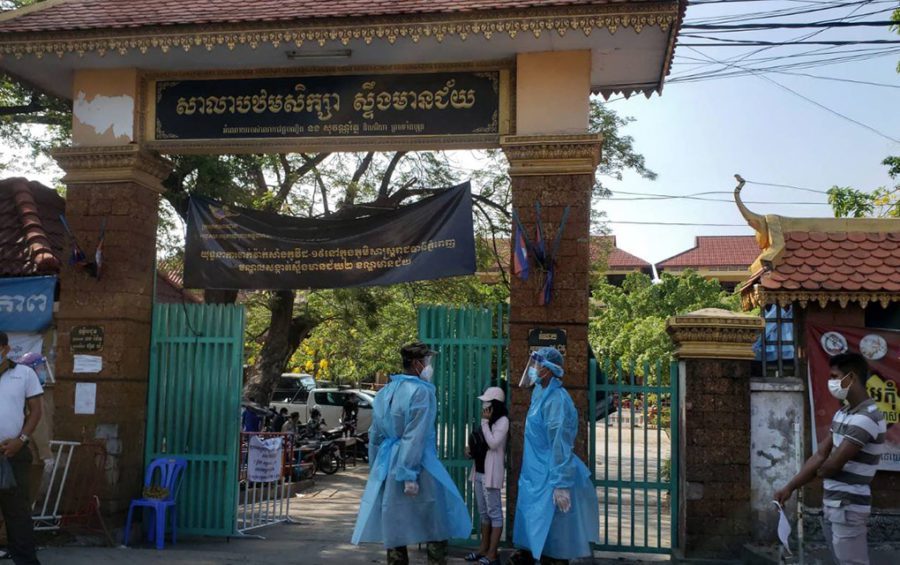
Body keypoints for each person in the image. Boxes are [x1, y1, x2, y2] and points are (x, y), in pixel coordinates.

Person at [352, 342, 470, 565]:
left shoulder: (385, 392)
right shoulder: (421, 392)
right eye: (427, 361)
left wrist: (377, 468)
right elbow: (414, 436)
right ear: (417, 364)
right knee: (435, 524)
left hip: (388, 464)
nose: (429, 366)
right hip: (418, 465)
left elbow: (375, 435)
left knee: (395, 526)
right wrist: (408, 473)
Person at [775, 353, 886, 565]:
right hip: (834, 505)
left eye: (835, 376)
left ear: (851, 378)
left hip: (848, 506)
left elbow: (832, 465)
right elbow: (820, 456)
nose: (831, 382)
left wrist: (821, 469)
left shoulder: (867, 417)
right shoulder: (843, 413)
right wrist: (790, 487)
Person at [511, 347, 599, 565]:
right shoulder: (540, 394)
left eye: (537, 365)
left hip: (551, 479)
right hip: (535, 477)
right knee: (536, 535)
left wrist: (561, 483)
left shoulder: (556, 400)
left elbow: (559, 443)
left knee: (554, 541)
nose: (533, 369)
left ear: (548, 370)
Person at [0, 331, 43, 565]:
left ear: (5, 349)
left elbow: (36, 411)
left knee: (18, 515)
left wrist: (21, 440)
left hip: (13, 454)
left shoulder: (24, 374)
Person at [465, 387, 509, 565]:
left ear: (495, 405)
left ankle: (492, 554)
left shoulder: (502, 421)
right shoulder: (487, 421)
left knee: (495, 513)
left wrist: (484, 422)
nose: (484, 406)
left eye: (488, 403)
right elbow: (480, 442)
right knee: (484, 513)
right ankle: (483, 549)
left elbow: (493, 443)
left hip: (491, 474)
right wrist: (470, 450)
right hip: (479, 471)